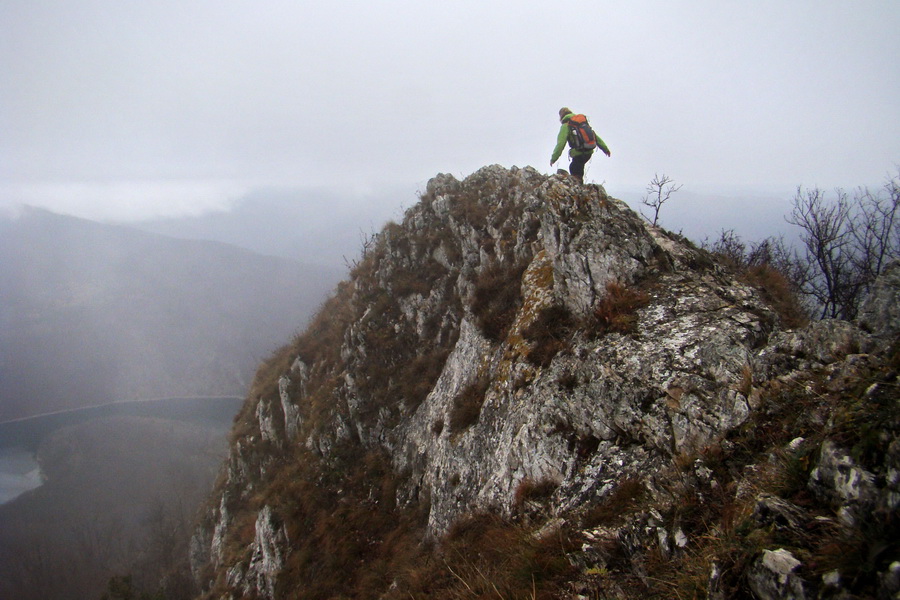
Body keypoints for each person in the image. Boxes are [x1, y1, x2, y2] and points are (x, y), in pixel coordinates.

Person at [550, 107, 610, 183]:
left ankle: (578, 187)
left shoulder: (566, 125)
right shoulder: (581, 123)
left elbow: (561, 144)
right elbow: (595, 136)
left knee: (574, 169)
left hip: (578, 152)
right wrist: (605, 149)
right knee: (578, 169)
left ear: (561, 116)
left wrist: (553, 158)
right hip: (589, 151)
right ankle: (580, 185)